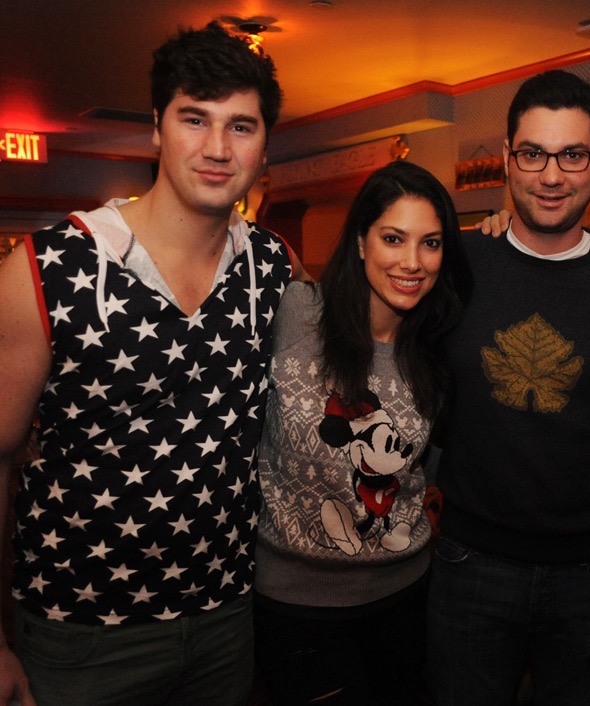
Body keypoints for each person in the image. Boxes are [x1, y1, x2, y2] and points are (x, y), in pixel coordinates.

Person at [0, 22, 301, 705]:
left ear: (263, 145)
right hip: (82, 634)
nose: (218, 148)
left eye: (241, 127)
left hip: (226, 618)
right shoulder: (51, 268)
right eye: (195, 119)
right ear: (157, 129)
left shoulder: (271, 266)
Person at [425, 69, 590, 705]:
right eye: (533, 153)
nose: (552, 175)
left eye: (572, 154)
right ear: (508, 157)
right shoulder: (456, 269)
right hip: (469, 561)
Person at [252, 160, 471, 705]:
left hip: (404, 597)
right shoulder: (295, 311)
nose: (412, 262)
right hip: (295, 608)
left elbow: (433, 465)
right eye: (393, 238)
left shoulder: (439, 347)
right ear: (360, 241)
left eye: (432, 243)